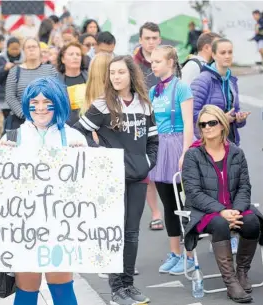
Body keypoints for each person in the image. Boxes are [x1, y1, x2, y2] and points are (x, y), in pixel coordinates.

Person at [74, 55, 157, 305]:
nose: (116, 77)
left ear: (131, 74)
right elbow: (80, 131)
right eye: (112, 73)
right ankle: (116, 289)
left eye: (121, 72)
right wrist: (100, 154)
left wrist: (148, 163)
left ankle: (129, 285)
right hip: (112, 179)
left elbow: (153, 141)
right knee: (115, 232)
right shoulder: (102, 104)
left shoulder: (144, 104)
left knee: (131, 233)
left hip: (138, 179)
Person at [0, 77, 87, 305]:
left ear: (58, 103)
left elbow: (87, 188)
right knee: (26, 290)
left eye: (46, 101)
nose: (39, 108)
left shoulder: (74, 137)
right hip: (24, 226)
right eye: (34, 102)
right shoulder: (12, 137)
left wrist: (84, 159)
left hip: (60, 225)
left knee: (62, 289)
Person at [182, 105, 263, 303]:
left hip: (234, 208)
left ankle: (242, 272)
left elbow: (244, 186)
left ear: (222, 124)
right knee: (219, 224)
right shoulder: (193, 155)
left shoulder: (236, 153)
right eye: (202, 124)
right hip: (205, 212)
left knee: (252, 221)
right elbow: (193, 193)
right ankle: (231, 283)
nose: (207, 127)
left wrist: (235, 210)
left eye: (212, 122)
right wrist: (222, 211)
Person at [149, 45, 195, 275]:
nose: (153, 64)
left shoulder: (182, 88)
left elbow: (188, 123)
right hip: (160, 148)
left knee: (183, 204)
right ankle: (175, 253)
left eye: (157, 61)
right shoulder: (153, 91)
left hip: (178, 145)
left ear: (170, 62)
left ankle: (190, 256)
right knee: (168, 204)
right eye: (152, 61)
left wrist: (186, 151)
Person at [191, 38, 250, 147]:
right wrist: (220, 119)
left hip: (230, 141)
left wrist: (239, 119)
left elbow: (234, 113)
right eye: (223, 53)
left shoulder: (232, 81)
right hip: (209, 143)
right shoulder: (202, 80)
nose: (227, 56)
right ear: (213, 55)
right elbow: (191, 113)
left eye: (230, 52)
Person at [133, 22, 163, 231]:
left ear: (159, 39)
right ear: (140, 40)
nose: (151, 42)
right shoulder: (133, 64)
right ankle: (156, 213)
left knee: (173, 171)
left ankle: (180, 211)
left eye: (155, 38)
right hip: (143, 122)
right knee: (148, 171)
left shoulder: (169, 59)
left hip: (168, 123)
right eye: (147, 38)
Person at [5, 38, 58, 132]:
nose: (31, 49)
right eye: (28, 47)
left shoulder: (50, 70)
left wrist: (48, 114)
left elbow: (57, 93)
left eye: (34, 46)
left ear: (39, 50)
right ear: (23, 51)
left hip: (47, 119)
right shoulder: (15, 71)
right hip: (20, 121)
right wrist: (25, 115)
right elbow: (10, 96)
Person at [0, 37, 24, 127]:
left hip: (22, 96)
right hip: (5, 97)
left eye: (17, 48)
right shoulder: (1, 59)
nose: (15, 51)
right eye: (12, 49)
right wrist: (4, 68)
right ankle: (7, 138)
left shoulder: (25, 59)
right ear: (7, 48)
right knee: (9, 123)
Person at [56, 42, 87, 126]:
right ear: (63, 59)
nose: (75, 57)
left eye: (78, 54)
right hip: (65, 126)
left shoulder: (90, 78)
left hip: (89, 126)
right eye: (71, 54)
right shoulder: (55, 82)